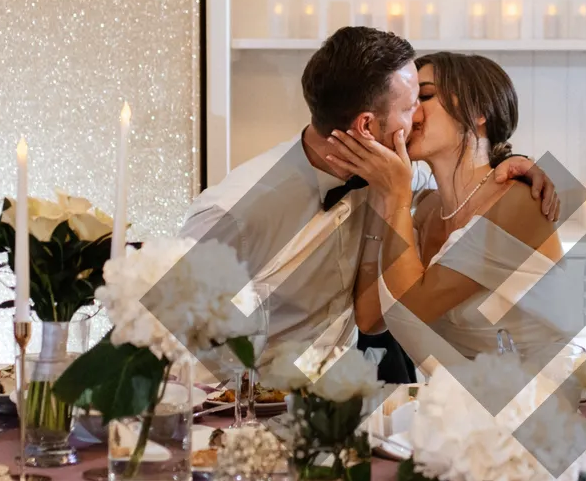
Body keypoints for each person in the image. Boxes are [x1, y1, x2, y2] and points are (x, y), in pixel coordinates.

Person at [182, 28, 558, 367]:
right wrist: (392, 194)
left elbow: (405, 311)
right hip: (256, 403)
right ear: (366, 126)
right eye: (413, 104)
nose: (417, 116)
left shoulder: (432, 188)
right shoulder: (234, 209)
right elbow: (166, 333)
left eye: (424, 98)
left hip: (528, 399)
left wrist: (512, 160)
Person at [327, 51, 580, 376]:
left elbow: (412, 312)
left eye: (425, 96)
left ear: (477, 112)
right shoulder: (427, 210)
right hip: (467, 408)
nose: (409, 113)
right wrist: (383, 195)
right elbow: (371, 318)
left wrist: (397, 196)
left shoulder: (520, 200)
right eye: (406, 102)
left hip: (544, 404)